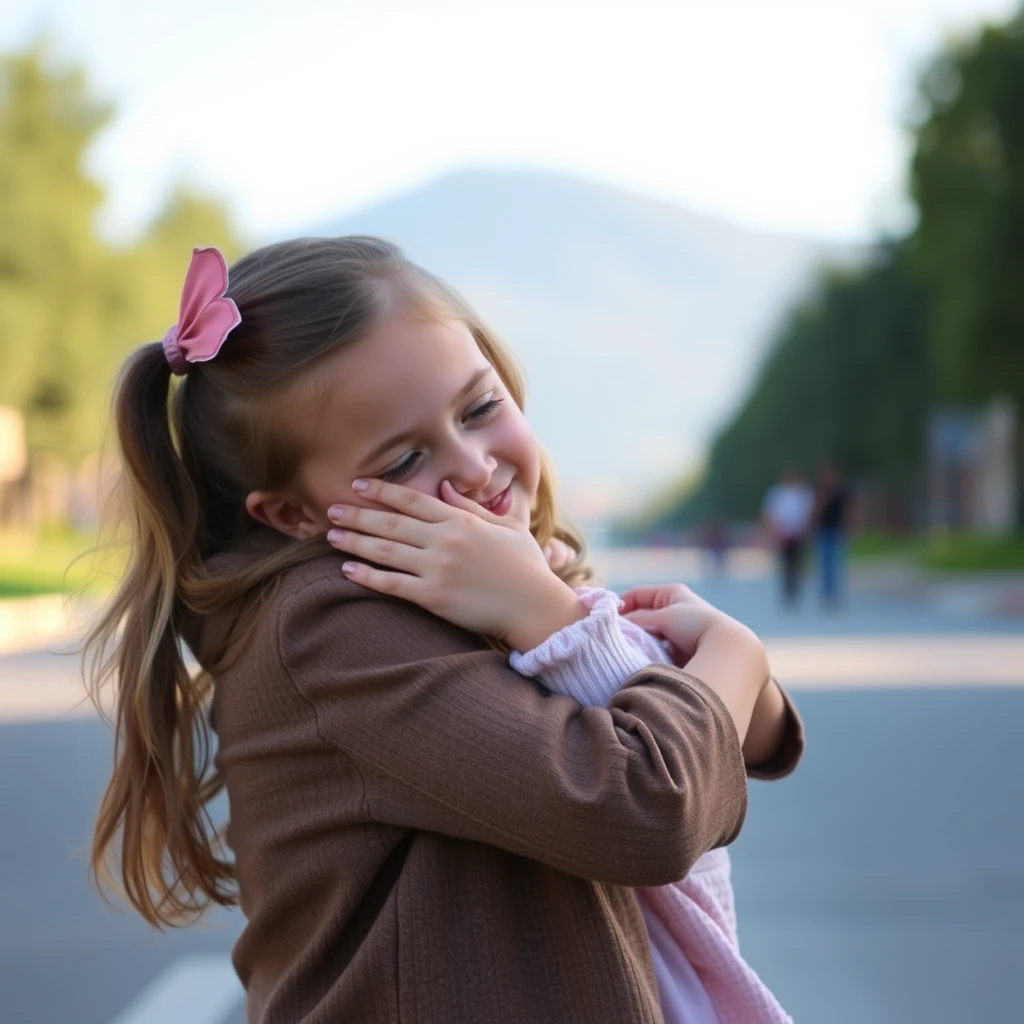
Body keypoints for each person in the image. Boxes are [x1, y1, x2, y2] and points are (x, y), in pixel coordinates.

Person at [83, 239, 803, 1023]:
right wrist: (733, 654)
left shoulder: (508, 570)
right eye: (402, 463)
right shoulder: (329, 624)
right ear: (293, 514)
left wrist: (734, 682)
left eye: (480, 408)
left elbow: (736, 743)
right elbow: (654, 809)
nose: (473, 466)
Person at [761, 469, 815, 606]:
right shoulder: (778, 493)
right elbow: (770, 513)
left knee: (797, 564)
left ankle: (796, 591)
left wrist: (806, 530)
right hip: (783, 534)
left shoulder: (804, 494)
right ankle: (787, 592)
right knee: (786, 564)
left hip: (798, 533)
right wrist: (774, 531)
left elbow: (809, 513)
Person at [814, 461, 854, 608]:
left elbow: (850, 508)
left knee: (835, 563)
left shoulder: (843, 489)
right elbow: (816, 510)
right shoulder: (821, 489)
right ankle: (826, 594)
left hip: (837, 530)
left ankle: (835, 594)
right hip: (823, 530)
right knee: (824, 563)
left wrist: (849, 525)